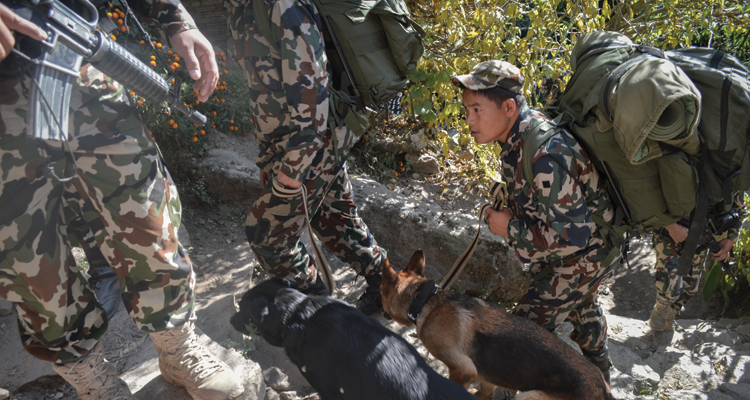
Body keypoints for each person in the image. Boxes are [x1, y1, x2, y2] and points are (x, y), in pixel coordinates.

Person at [0, 1, 246, 399]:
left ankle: (177, 346)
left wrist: (173, 17)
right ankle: (92, 380)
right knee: (26, 262)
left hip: (72, 59)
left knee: (146, 213)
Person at [451, 60, 622, 383]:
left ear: (509, 106)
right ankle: (600, 377)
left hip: (589, 251)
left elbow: (575, 236)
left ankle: (511, 390)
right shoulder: (521, 133)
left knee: (516, 334)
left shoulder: (545, 154)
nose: (469, 121)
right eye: (466, 111)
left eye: (476, 110)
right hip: (587, 244)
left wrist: (509, 228)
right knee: (581, 305)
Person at [224, 0, 387, 314]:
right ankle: (387, 286)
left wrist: (291, 171)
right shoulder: (240, 7)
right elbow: (264, 92)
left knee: (267, 234)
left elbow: (312, 95)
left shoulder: (281, 6)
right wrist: (268, 159)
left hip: (314, 140)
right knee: (333, 217)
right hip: (294, 143)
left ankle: (323, 314)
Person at [650, 195, 746, 331]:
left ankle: (671, 312)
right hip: (670, 234)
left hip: (699, 239)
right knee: (671, 287)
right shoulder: (687, 173)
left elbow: (741, 209)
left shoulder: (733, 176)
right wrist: (672, 226)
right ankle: (661, 308)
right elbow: (652, 198)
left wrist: (731, 239)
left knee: (691, 287)